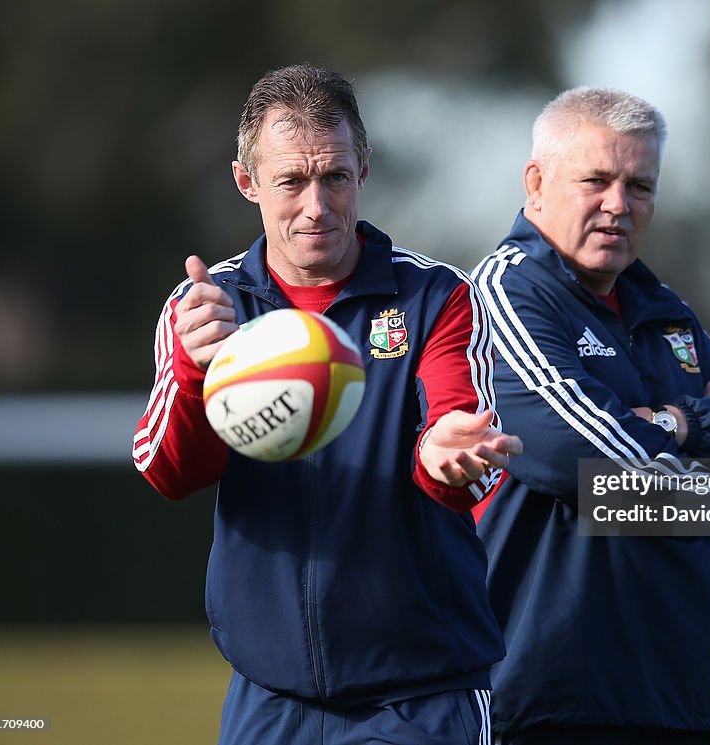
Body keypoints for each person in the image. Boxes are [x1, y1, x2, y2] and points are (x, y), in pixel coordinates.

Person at [132, 64, 522, 745]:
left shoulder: (436, 297)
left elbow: (460, 441)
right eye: (292, 180)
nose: (316, 204)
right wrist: (198, 374)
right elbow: (170, 471)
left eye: (334, 176)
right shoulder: (206, 308)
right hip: (269, 698)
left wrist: (448, 456)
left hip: (423, 696)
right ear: (246, 181)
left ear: (363, 171)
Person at [470, 87, 710, 744]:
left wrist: (683, 422)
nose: (618, 205)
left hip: (687, 700)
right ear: (536, 183)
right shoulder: (506, 292)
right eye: (596, 180)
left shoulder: (665, 310)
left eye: (640, 186)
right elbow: (577, 455)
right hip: (550, 701)